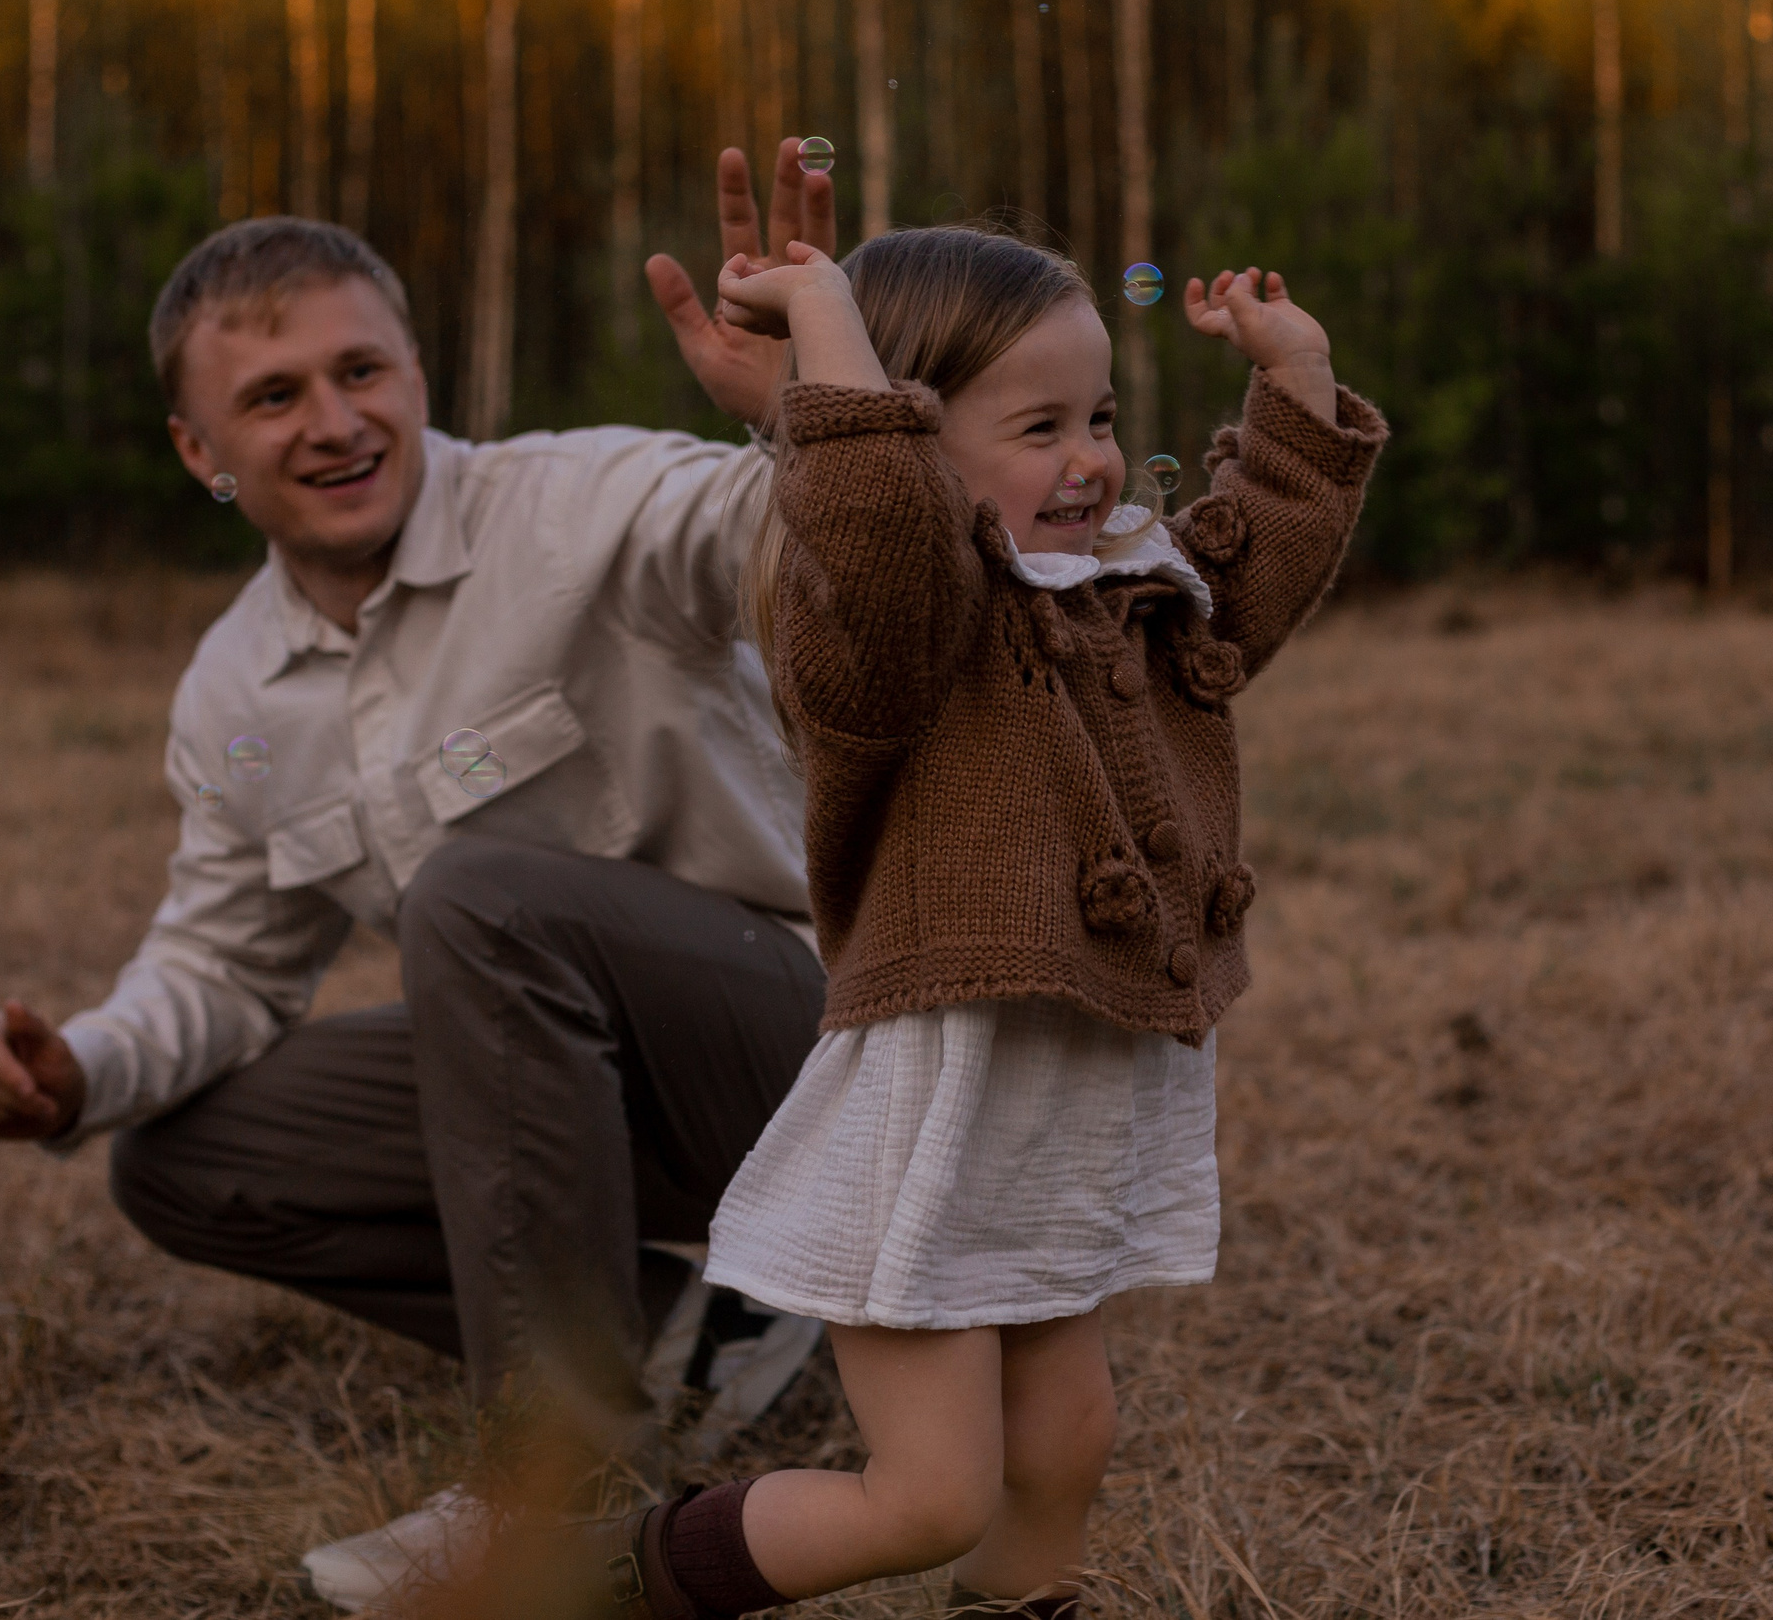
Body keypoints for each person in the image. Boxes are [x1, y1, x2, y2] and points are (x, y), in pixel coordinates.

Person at [0, 143, 844, 1610]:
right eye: (274, 396)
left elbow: (798, 545)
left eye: (362, 371)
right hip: (567, 1101)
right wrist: (78, 1068)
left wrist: (814, 416)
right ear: (201, 452)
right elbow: (222, 962)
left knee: (478, 900)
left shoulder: (581, 507)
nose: (336, 422)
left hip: (811, 1057)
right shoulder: (234, 687)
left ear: (418, 373)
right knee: (179, 1157)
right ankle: (719, 1341)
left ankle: (558, 1491)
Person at [559, 227, 1388, 1617]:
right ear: (910, 443)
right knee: (931, 1496)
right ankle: (598, 1581)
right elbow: (878, 527)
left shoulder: (1126, 592)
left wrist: (1296, 383)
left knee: (1067, 1443)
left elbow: (1255, 572)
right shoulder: (888, 634)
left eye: (1101, 418)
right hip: (936, 1117)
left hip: (1061, 1115)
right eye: (1039, 427)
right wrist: (828, 336)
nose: (1093, 460)